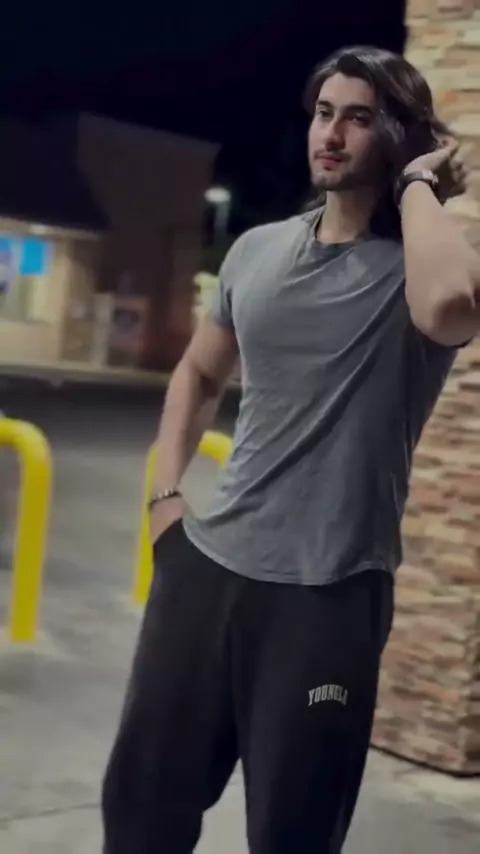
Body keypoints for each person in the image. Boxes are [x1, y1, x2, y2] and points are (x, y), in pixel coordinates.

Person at [102, 45, 480, 853]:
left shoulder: (415, 269)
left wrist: (417, 185)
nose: (330, 135)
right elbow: (199, 372)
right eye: (323, 113)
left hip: (329, 596)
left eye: (358, 118)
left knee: (293, 836)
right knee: (138, 816)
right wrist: (165, 498)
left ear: (398, 135)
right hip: (206, 574)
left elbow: (452, 305)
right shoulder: (257, 250)